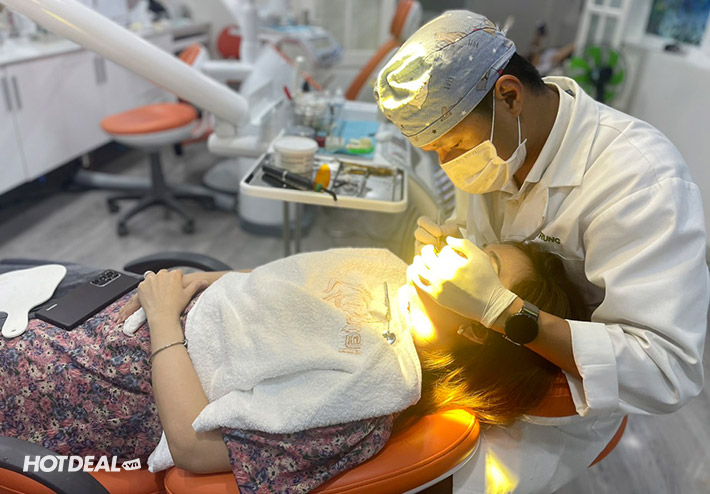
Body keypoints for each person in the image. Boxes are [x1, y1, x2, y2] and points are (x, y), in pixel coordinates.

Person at [374, 9, 709, 493]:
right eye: (437, 152)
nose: (449, 165)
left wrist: (504, 309)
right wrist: (455, 243)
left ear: (510, 96)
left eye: (455, 145)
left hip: (558, 391)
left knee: (436, 479)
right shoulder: (500, 145)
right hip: (479, 356)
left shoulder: (641, 180)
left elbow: (666, 370)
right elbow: (494, 243)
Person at [0, 243, 583, 493]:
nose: (459, 249)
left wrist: (162, 317)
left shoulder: (371, 394)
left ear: (479, 323)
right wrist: (210, 283)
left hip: (90, 378)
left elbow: (195, 447)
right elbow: (283, 291)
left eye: (481, 264)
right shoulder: (385, 271)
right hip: (116, 307)